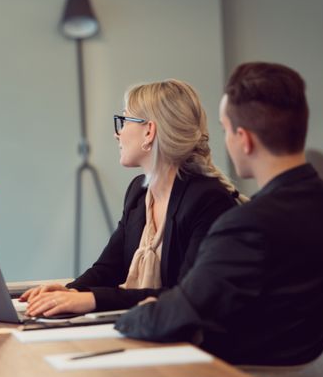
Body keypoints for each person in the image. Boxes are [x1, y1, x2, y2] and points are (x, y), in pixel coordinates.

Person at [114, 62, 323, 366]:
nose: (225, 141)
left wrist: (132, 317)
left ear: (244, 140)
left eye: (225, 130)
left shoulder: (249, 226)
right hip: (312, 371)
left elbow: (179, 313)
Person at [23, 79, 240, 317]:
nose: (118, 134)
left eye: (124, 120)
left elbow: (185, 295)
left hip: (190, 342)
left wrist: (92, 299)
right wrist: (72, 291)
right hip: (143, 329)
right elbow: (109, 268)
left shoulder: (207, 200)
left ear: (149, 131)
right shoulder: (139, 191)